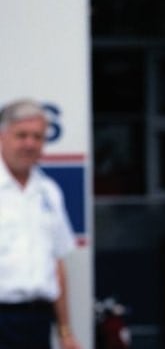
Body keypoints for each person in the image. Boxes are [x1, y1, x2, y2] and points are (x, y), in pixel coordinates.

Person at [0, 99, 81, 349]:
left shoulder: (49, 192)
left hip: (38, 321)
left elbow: (57, 265)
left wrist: (65, 331)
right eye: (21, 135)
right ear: (2, 137)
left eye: (37, 136)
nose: (29, 144)